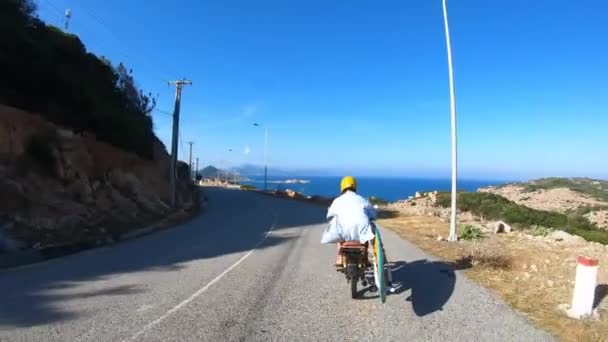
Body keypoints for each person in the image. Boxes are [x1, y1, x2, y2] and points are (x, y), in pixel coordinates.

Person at [326, 176, 377, 266]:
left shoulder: (337, 200)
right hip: (361, 229)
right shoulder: (362, 199)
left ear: (342, 187)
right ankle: (366, 256)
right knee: (367, 229)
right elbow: (372, 215)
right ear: (355, 187)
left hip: (344, 231)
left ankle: (340, 257)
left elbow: (330, 215)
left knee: (337, 228)